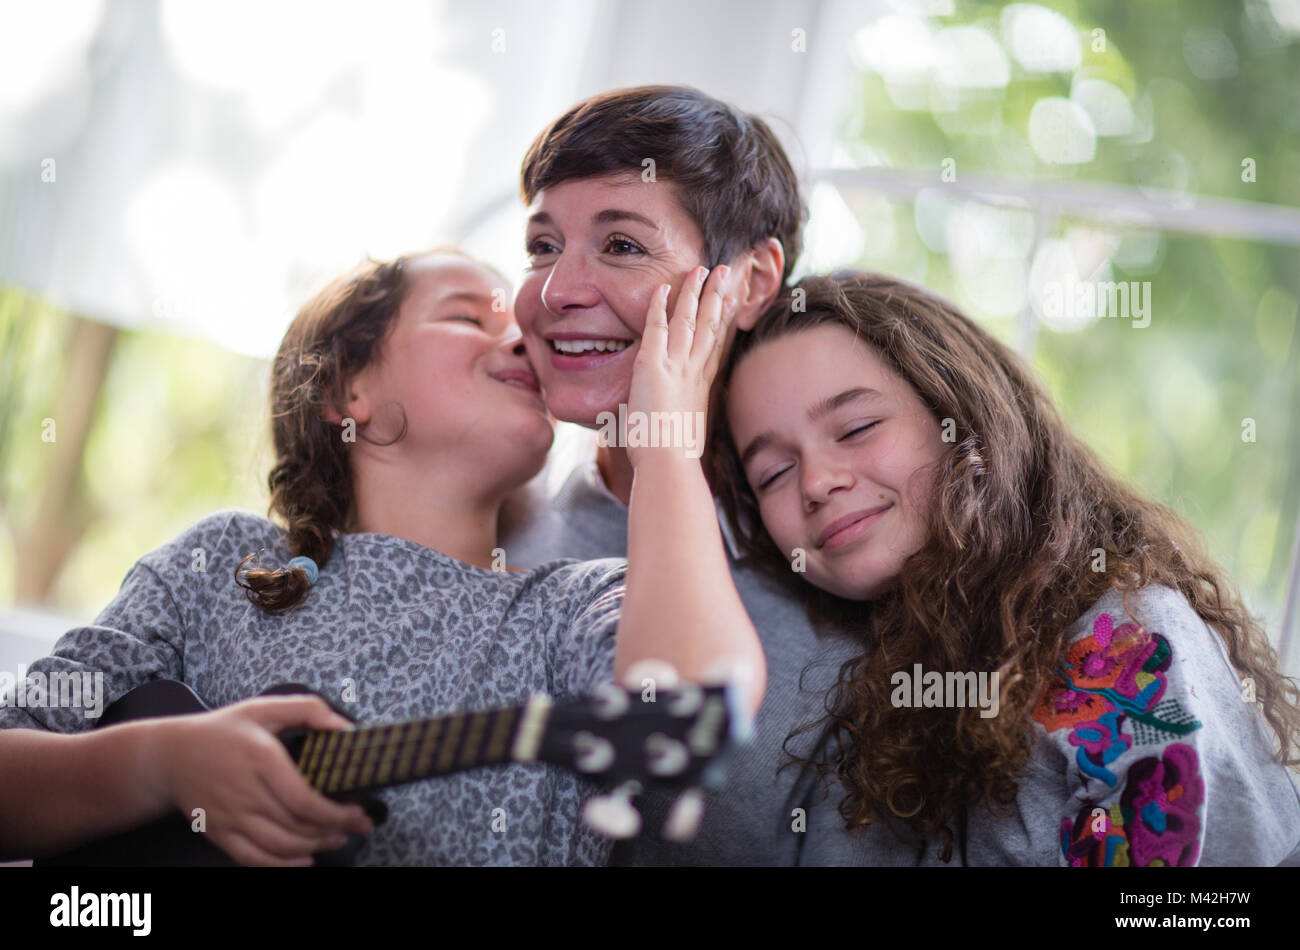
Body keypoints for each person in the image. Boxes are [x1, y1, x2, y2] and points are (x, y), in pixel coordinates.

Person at [0, 248, 764, 867]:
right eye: (469, 315)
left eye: (519, 326)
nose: (520, 337)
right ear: (347, 387)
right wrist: (157, 766)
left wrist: (666, 437)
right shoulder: (220, 565)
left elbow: (694, 692)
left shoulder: (570, 611)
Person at [711, 270, 1300, 865]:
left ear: (961, 419)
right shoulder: (877, 675)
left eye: (857, 428)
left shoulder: (1123, 638)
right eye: (774, 474)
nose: (815, 481)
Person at [497, 84, 862, 865]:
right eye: (542, 247)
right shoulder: (502, 530)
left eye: (622, 245)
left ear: (752, 282)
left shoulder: (841, 543)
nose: (557, 291)